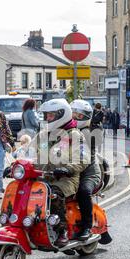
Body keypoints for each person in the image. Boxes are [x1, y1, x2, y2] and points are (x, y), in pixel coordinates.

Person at [35, 99, 90, 246]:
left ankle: (61, 230)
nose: (47, 119)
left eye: (50, 116)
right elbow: (28, 151)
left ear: (61, 115)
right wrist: (16, 163)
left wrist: (68, 169)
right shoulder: (43, 135)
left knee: (53, 194)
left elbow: (83, 158)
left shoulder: (75, 135)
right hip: (44, 176)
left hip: (66, 179)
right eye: (46, 116)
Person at [71, 100, 102, 241]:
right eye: (73, 114)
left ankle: (87, 227)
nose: (75, 118)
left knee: (83, 191)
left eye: (78, 115)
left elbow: (84, 156)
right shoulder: (65, 129)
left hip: (89, 172)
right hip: (72, 171)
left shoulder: (90, 132)